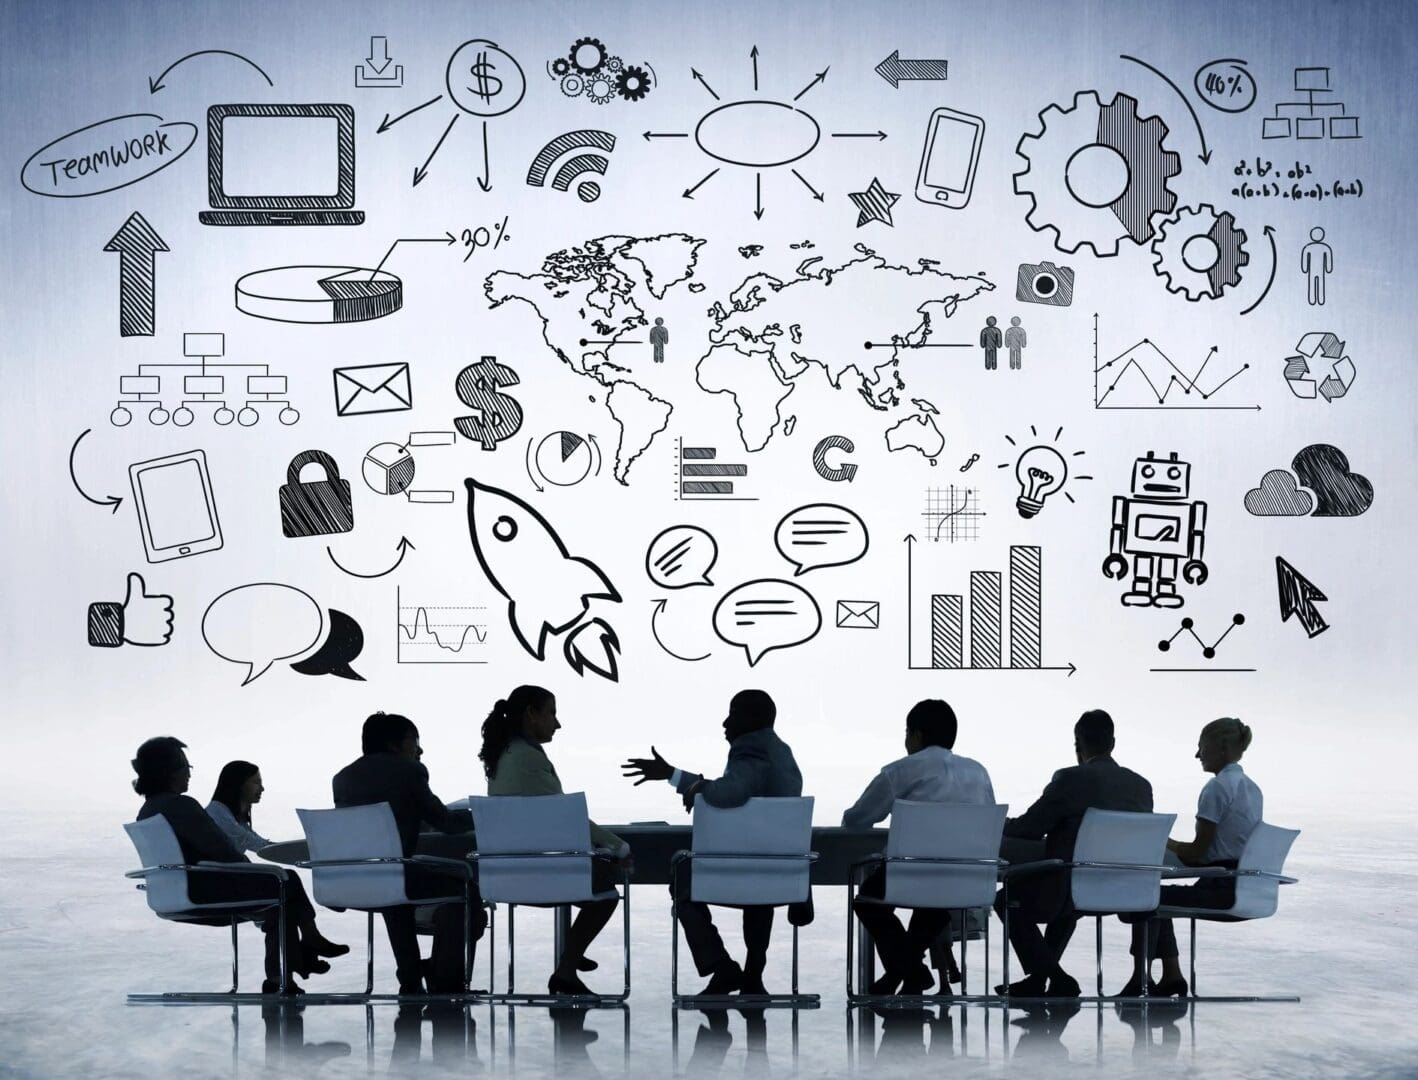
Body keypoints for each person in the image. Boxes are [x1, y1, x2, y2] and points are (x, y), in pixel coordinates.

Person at [622, 689, 808, 996]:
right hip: (778, 873)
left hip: (741, 869)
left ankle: (721, 967)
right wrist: (673, 775)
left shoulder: (752, 748)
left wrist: (697, 786)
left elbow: (728, 792)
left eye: (733, 713)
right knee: (760, 897)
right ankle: (752, 975)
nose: (725, 722)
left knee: (682, 880)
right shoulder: (781, 752)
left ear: (752, 720)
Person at [132, 737, 346, 995]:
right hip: (203, 890)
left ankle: (283, 975)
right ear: (169, 771)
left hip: (175, 892)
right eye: (186, 767)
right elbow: (221, 850)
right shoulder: (181, 805)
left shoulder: (147, 810)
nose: (189, 773)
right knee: (285, 880)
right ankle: (303, 948)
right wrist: (255, 871)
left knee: (278, 904)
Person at [479, 685, 629, 995]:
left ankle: (571, 956)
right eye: (551, 713)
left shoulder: (504, 755)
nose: (557, 723)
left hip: (507, 875)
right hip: (542, 875)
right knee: (606, 890)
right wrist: (616, 845)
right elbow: (564, 816)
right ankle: (567, 967)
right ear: (531, 714)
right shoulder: (527, 758)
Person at [994, 710, 1152, 998]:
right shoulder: (1142, 787)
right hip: (1123, 892)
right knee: (1067, 899)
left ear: (1078, 744)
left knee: (1007, 897)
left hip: (1070, 889)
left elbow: (1030, 828)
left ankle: (1057, 976)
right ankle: (1039, 979)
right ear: (1112, 743)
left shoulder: (1070, 779)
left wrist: (996, 822)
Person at [843, 699, 995, 995]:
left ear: (917, 735)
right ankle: (909, 973)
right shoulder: (979, 772)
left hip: (913, 873)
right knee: (934, 907)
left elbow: (857, 818)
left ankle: (911, 971)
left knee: (867, 902)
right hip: (968, 880)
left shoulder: (902, 770)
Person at [332, 712, 480, 995]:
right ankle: (445, 979)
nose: (420, 749)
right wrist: (482, 817)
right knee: (463, 888)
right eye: (415, 741)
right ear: (393, 744)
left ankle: (411, 978)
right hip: (394, 875)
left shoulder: (342, 778)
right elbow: (445, 821)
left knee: (394, 888)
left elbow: (381, 817)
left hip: (353, 877)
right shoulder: (409, 771)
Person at [1119, 717, 1262, 997]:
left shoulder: (1216, 788)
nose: (1197, 755)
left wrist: (1164, 841)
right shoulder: (1252, 789)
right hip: (1246, 885)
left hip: (1220, 887)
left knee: (1143, 896)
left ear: (1220, 747)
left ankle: (1140, 980)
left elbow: (1198, 854)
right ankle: (1172, 976)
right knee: (1159, 896)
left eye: (1201, 747)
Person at [207, 761, 273, 853]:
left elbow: (260, 843)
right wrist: (293, 849)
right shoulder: (217, 813)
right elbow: (256, 844)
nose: (262, 788)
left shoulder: (236, 818)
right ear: (238, 783)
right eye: (256, 782)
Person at [1301, 226, 1332, 305]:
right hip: (1320, 270)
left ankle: (1312, 300)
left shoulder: (1308, 247)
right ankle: (1320, 300)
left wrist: (1305, 269)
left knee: (1312, 283)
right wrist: (1328, 269)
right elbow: (1328, 263)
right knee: (1320, 283)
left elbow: (1304, 262)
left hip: (1313, 270)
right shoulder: (1325, 247)